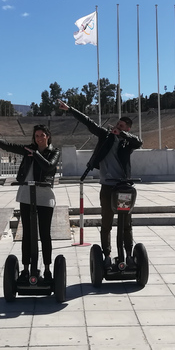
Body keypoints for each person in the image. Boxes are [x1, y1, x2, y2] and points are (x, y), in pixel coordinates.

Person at [58, 99, 143, 269]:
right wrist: (70, 109)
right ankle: (107, 254)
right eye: (117, 125)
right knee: (106, 222)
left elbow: (139, 142)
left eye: (122, 126)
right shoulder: (105, 136)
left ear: (128, 129)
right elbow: (88, 123)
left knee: (126, 223)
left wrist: (122, 135)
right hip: (108, 186)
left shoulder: (127, 142)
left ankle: (129, 254)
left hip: (123, 187)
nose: (117, 127)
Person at [0, 125, 61, 282]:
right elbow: (10, 146)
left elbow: (48, 166)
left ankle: (48, 268)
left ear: (48, 136)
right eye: (36, 136)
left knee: (44, 234)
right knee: (28, 234)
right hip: (26, 195)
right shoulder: (29, 149)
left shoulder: (54, 152)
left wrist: (35, 154)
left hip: (44, 196)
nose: (39, 138)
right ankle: (26, 269)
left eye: (42, 135)